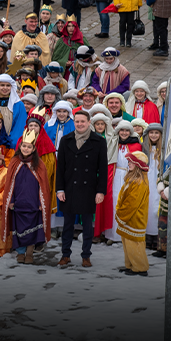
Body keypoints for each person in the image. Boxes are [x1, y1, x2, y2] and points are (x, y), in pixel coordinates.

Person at [55, 110, 106, 267]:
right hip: (69, 188)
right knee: (68, 225)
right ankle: (65, 255)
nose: (80, 124)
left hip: (89, 189)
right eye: (77, 121)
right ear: (74, 122)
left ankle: (86, 255)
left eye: (83, 121)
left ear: (89, 122)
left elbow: (102, 168)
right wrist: (60, 189)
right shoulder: (65, 140)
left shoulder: (98, 141)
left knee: (87, 226)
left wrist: (100, 191)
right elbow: (60, 168)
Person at [2, 130, 52, 264]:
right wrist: (11, 200)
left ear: (34, 148)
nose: (26, 149)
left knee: (33, 230)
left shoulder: (39, 164)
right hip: (18, 203)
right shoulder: (14, 162)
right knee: (19, 229)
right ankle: (20, 253)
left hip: (34, 203)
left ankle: (29, 253)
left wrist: (42, 202)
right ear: (20, 146)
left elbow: (44, 185)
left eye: (29, 147)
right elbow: (9, 184)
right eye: (24, 146)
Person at [116, 151, 151, 275]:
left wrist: (121, 215)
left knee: (134, 244)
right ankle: (130, 265)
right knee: (127, 243)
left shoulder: (139, 182)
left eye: (131, 161)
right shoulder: (132, 178)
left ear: (138, 164)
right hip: (128, 217)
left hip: (134, 218)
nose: (129, 163)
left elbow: (132, 203)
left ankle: (140, 267)